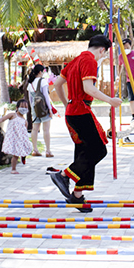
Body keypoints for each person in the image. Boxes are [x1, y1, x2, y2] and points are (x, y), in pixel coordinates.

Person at [50, 35, 122, 213]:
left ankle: (77, 196)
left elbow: (57, 85)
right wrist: (110, 101)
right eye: (103, 54)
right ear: (102, 50)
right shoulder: (90, 60)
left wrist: (67, 104)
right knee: (98, 150)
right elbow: (89, 88)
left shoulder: (74, 61)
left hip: (72, 112)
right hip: (81, 111)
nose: (101, 57)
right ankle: (63, 175)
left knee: (85, 152)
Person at [0, 99, 34, 174]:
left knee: (19, 152)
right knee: (14, 153)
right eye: (22, 106)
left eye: (26, 107)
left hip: (20, 139)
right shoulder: (13, 115)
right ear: (17, 108)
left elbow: (25, 132)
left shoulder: (25, 121)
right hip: (12, 137)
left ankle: (19, 161)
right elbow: (2, 119)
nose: (24, 108)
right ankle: (15, 165)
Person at [25, 64, 54, 157]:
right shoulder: (43, 81)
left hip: (34, 108)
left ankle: (35, 150)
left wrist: (33, 108)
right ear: (40, 72)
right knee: (46, 129)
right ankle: (48, 151)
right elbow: (46, 96)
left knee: (35, 129)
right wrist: (50, 109)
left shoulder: (30, 83)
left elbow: (30, 99)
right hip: (43, 108)